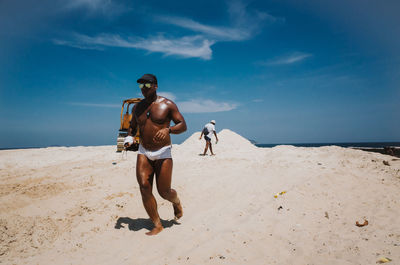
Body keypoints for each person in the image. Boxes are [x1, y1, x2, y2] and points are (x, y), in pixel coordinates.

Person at [125, 73, 187, 236]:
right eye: (141, 86)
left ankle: (176, 202)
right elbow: (132, 126)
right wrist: (130, 137)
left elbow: (183, 125)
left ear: (155, 86)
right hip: (144, 151)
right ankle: (157, 224)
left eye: (147, 85)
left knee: (164, 191)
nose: (143, 89)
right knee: (144, 187)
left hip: (163, 152)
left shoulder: (167, 104)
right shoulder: (137, 107)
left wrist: (168, 130)